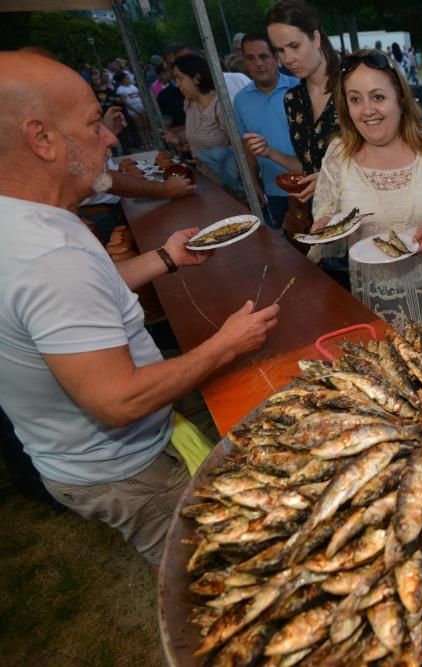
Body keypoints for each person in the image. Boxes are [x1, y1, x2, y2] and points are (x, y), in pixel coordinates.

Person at [0, 52, 280, 564]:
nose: (109, 137)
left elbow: (90, 293)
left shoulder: (25, 219)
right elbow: (119, 401)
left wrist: (165, 259)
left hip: (80, 456)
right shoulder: (49, 259)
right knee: (215, 572)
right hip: (129, 467)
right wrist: (225, 345)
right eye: (91, 124)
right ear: (41, 138)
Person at [309, 50, 422, 326]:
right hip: (376, 309)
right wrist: (325, 227)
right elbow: (326, 218)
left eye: (378, 97)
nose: (367, 110)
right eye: (355, 99)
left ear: (401, 100)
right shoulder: (337, 155)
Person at [265, 0, 341, 255]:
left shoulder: (353, 87)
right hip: (318, 221)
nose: (287, 59)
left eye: (294, 46)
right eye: (279, 51)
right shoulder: (293, 100)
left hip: (361, 215)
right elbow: (307, 168)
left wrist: (330, 179)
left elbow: (386, 156)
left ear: (316, 38)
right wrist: (270, 153)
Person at [234, 32, 300, 229]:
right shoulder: (241, 100)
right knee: (290, 249)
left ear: (276, 58)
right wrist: (253, 182)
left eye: (263, 56)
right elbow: (247, 147)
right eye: (250, 58)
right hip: (274, 189)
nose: (258, 64)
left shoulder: (299, 90)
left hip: (311, 185)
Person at [160, 54, 241, 193]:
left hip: (231, 184)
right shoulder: (189, 103)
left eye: (180, 78)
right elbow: (195, 130)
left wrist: (209, 158)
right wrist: (179, 138)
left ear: (197, 78)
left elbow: (240, 148)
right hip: (207, 182)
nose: (177, 84)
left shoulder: (220, 107)